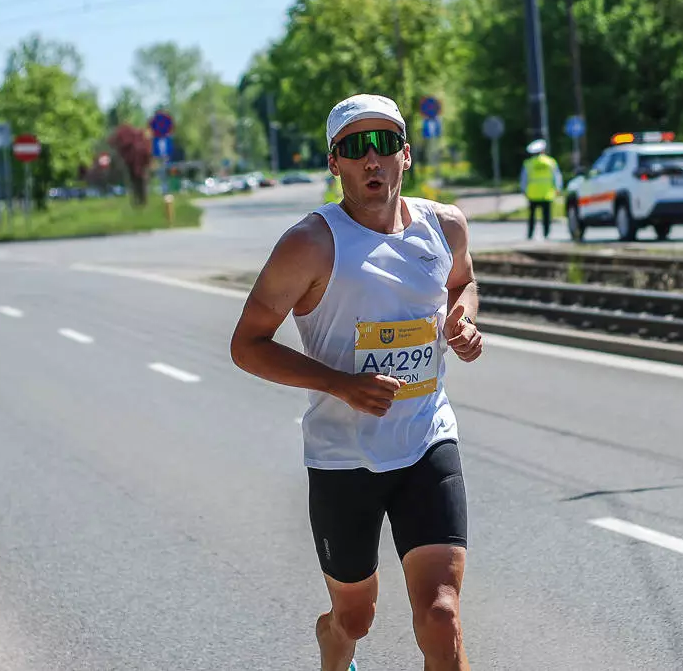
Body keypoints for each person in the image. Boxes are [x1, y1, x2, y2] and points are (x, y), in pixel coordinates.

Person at [231, 93, 483, 671]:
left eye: (384, 145)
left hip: (426, 439)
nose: (372, 160)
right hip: (344, 457)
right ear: (334, 163)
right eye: (354, 148)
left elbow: (461, 284)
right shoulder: (311, 243)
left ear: (406, 155)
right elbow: (247, 345)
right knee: (355, 618)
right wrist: (342, 385)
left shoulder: (445, 226)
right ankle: (334, 641)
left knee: (441, 614)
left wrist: (463, 320)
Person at [519, 138, 563, 240]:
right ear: (543, 150)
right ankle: (546, 234)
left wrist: (523, 190)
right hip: (547, 193)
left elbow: (524, 179)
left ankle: (530, 234)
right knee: (547, 216)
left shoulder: (528, 163)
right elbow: (556, 176)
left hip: (532, 194)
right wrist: (558, 188)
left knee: (531, 217)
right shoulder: (550, 162)